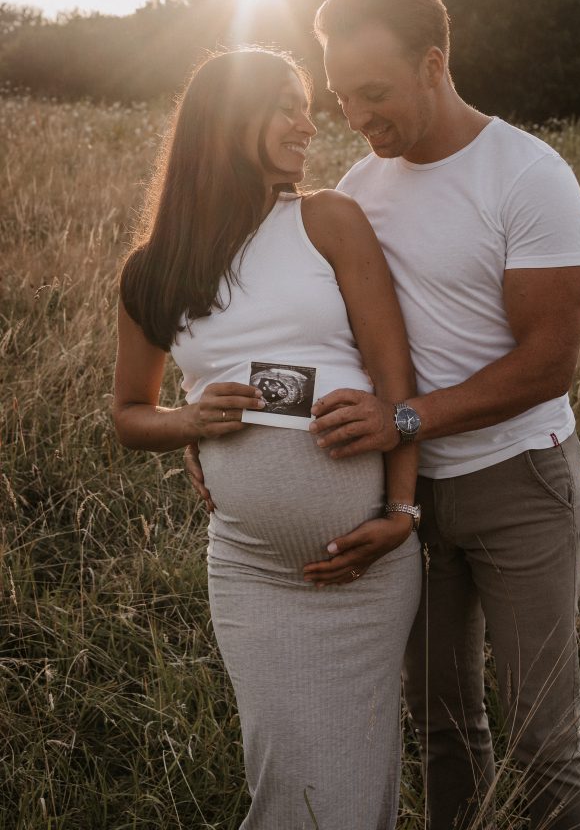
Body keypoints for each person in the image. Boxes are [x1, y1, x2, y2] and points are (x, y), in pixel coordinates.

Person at [188, 0, 580, 829]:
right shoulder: (359, 185)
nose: (354, 117)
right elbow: (311, 331)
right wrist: (213, 428)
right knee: (442, 724)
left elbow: (546, 365)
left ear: (433, 65)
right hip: (401, 496)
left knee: (540, 736)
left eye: (373, 93)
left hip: (516, 481)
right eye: (341, 96)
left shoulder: (528, 176)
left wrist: (405, 420)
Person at [113, 47, 422, 830]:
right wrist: (188, 421)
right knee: (286, 779)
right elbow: (128, 412)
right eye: (287, 105)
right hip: (251, 570)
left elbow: (396, 380)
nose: (308, 125)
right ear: (226, 119)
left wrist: (401, 512)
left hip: (367, 566)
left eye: (306, 107)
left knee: (358, 782)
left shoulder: (326, 220)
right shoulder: (153, 269)